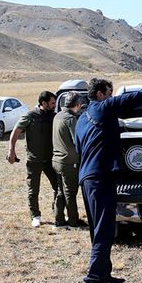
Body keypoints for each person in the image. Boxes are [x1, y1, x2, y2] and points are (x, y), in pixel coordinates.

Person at [75, 78, 142, 283]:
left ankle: (103, 275)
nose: (112, 97)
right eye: (109, 93)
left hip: (88, 178)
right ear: (99, 94)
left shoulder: (82, 118)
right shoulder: (102, 107)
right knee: (105, 232)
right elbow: (132, 98)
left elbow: (79, 147)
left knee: (98, 230)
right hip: (100, 179)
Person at [8, 91, 58, 228]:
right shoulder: (30, 116)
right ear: (44, 103)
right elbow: (16, 132)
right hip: (34, 161)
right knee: (33, 190)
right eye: (52, 103)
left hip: (51, 160)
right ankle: (35, 216)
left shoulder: (55, 117)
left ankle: (57, 212)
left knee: (58, 187)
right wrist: (11, 150)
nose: (55, 105)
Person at [51, 91, 85, 229]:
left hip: (56, 160)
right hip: (69, 162)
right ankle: (73, 222)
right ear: (77, 105)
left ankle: (59, 220)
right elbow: (77, 140)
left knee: (60, 191)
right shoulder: (71, 119)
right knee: (70, 193)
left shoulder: (58, 116)